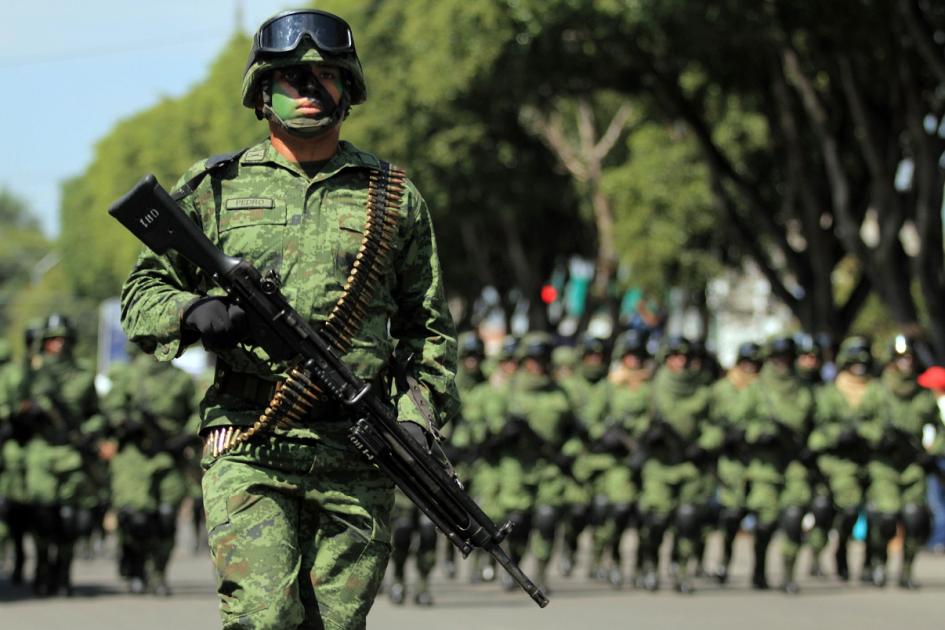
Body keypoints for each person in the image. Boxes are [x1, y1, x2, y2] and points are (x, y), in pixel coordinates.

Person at [119, 9, 459, 629]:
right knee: (265, 617)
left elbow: (426, 330)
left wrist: (416, 424)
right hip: (251, 437)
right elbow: (141, 294)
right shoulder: (215, 187)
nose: (310, 88)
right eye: (292, 76)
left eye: (326, 74)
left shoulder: (391, 193)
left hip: (360, 446)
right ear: (262, 92)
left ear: (348, 88)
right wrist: (193, 312)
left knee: (335, 624)